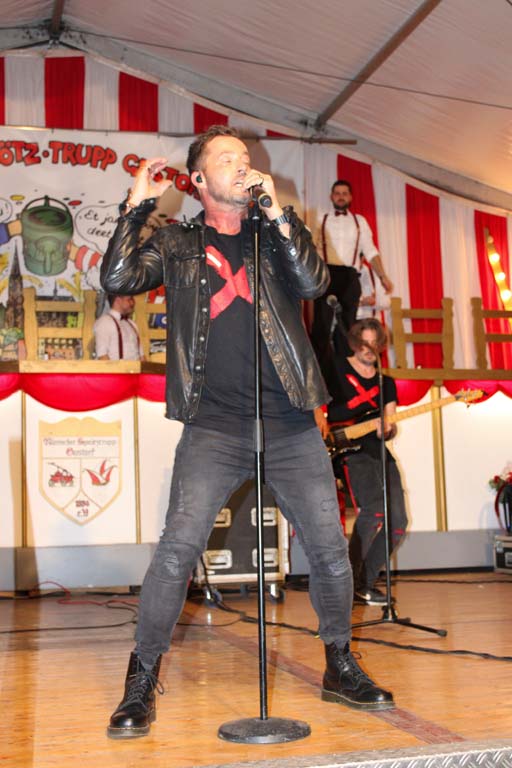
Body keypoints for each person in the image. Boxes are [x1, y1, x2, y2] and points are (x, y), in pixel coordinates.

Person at [100, 125, 394, 739]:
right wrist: (135, 206)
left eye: (246, 158)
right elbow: (120, 277)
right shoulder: (178, 243)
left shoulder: (276, 233)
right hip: (213, 425)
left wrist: (277, 212)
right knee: (177, 549)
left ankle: (339, 663)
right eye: (226, 158)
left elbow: (314, 283)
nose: (242, 165)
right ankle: (141, 678)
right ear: (198, 180)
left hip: (289, 421)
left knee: (329, 550)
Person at [325, 318, 407, 606]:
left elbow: (391, 423)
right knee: (373, 510)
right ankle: (344, 583)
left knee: (398, 521)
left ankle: (364, 583)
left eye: (375, 343)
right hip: (350, 449)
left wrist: (388, 429)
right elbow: (323, 410)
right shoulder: (336, 368)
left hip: (377, 450)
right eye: (365, 343)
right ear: (355, 343)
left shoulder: (386, 382)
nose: (370, 349)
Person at [311, 180, 393, 367]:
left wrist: (382, 277)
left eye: (344, 193)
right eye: (337, 193)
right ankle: (319, 373)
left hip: (349, 276)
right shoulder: (321, 219)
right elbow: (311, 248)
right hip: (327, 274)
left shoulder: (359, 221)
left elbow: (370, 251)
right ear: (331, 197)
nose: (340, 197)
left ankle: (347, 370)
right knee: (321, 327)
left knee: (348, 327)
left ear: (350, 197)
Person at [93, 294, 144, 360]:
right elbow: (102, 356)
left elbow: (141, 356)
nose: (132, 303)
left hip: (136, 366)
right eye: (129, 299)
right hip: (115, 366)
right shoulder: (104, 322)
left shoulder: (132, 324)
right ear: (118, 300)